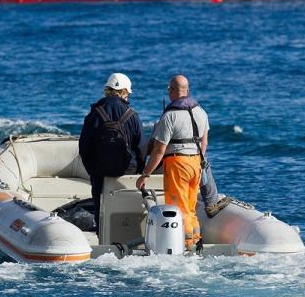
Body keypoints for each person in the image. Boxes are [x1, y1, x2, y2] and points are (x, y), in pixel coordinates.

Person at [136, 75, 208, 252]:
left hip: (178, 164)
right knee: (191, 207)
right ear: (188, 91)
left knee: (179, 208)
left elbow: (159, 150)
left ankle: (184, 245)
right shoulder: (201, 112)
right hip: (196, 163)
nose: (168, 92)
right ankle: (195, 243)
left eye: (169, 89)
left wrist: (145, 174)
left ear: (173, 91)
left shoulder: (169, 116)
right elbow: (204, 143)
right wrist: (197, 161)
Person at [78, 73, 145, 230]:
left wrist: (92, 170)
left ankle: (102, 232)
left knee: (99, 203)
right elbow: (141, 147)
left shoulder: (95, 113)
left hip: (100, 170)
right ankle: (130, 231)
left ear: (107, 90)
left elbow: (84, 147)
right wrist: (139, 171)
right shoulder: (132, 115)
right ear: (123, 91)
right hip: (127, 168)